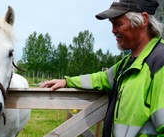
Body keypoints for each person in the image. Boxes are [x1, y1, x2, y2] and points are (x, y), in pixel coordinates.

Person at [40, 0, 164, 136]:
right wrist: (67, 81)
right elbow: (101, 78)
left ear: (143, 20)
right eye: (112, 24)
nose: (113, 30)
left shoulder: (159, 62)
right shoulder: (129, 62)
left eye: (118, 24)